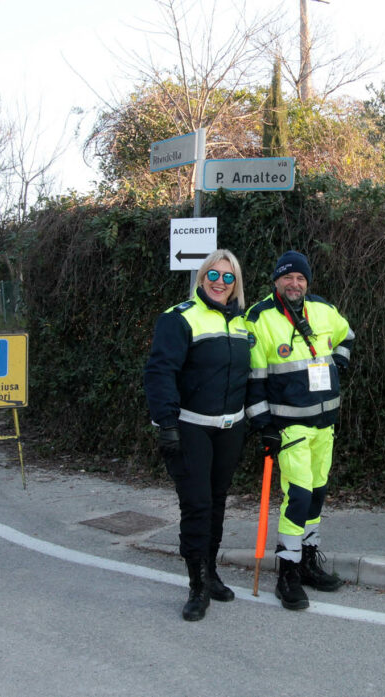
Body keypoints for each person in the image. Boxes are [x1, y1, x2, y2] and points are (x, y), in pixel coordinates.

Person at [143, 249, 251, 621]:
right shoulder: (179, 317)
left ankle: (212, 573)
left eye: (228, 276)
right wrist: (166, 424)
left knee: (217, 502)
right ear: (202, 277)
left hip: (230, 429)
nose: (220, 282)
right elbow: (160, 373)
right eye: (213, 275)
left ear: (236, 283)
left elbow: (250, 376)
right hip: (190, 428)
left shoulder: (243, 323)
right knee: (197, 506)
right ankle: (197, 585)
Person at [244, 251, 354, 611]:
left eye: (301, 278)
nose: (295, 284)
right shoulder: (258, 318)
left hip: (325, 423)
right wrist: (263, 426)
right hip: (289, 426)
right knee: (299, 496)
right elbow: (253, 381)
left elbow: (347, 334)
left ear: (307, 282)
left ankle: (307, 561)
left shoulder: (323, 309)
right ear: (276, 280)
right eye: (288, 277)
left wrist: (339, 361)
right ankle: (287, 573)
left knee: (317, 493)